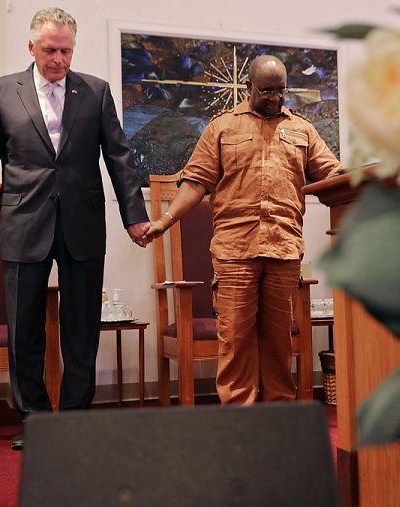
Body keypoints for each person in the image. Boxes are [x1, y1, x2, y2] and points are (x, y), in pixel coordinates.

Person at [0, 7, 150, 449]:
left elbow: (119, 158)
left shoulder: (96, 92)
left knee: (81, 324)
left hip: (82, 221)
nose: (58, 59)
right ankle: (35, 418)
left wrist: (134, 216)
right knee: (24, 326)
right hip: (24, 221)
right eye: (50, 50)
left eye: (65, 50)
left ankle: (77, 417)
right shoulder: (3, 92)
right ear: (31, 47)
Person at [143, 55, 341, 405]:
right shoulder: (222, 128)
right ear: (249, 86)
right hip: (235, 253)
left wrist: (365, 176)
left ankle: (278, 422)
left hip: (283, 250)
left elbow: (332, 174)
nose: (275, 98)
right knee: (235, 341)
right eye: (267, 91)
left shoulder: (302, 130)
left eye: (281, 91)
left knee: (280, 343)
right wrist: (164, 221)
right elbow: (196, 183)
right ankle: (240, 422)